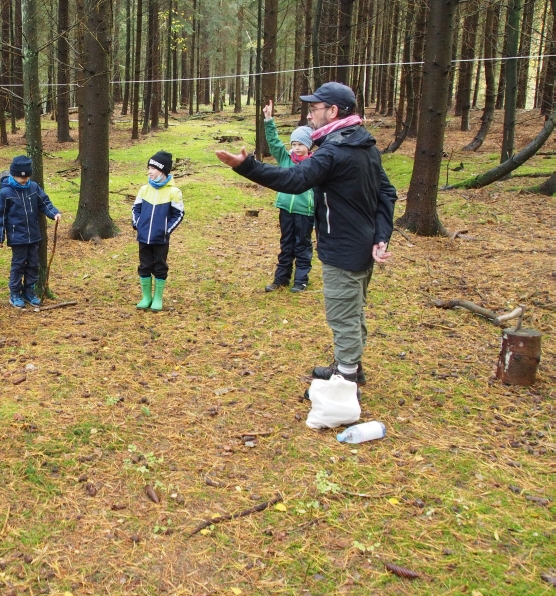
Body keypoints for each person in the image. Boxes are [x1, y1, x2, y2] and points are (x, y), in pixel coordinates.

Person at [215, 83, 397, 385]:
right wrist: (380, 235)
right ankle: (348, 366)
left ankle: (346, 383)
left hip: (345, 250)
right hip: (359, 245)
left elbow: (295, 179)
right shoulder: (363, 143)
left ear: (333, 111)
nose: (310, 116)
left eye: (314, 110)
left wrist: (247, 166)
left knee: (343, 316)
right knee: (351, 310)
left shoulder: (335, 151)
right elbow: (387, 193)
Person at [0, 155, 61, 308]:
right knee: (18, 264)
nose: (24, 180)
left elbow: (45, 203)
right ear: (13, 175)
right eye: (19, 177)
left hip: (34, 235)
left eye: (26, 177)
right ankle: (15, 292)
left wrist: (54, 213)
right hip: (17, 237)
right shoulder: (5, 193)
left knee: (33, 264)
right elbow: (0, 216)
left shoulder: (34, 187)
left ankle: (29, 290)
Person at [261, 100, 315, 293]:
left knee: (302, 245)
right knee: (286, 244)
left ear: (308, 146)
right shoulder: (285, 159)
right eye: (294, 144)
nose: (297, 148)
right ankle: (281, 278)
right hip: (286, 209)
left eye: (301, 144)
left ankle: (300, 280)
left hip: (305, 212)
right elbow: (274, 143)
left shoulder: (315, 164)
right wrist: (269, 120)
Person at [131, 150, 185, 312]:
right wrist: (138, 223)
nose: (149, 171)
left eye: (153, 168)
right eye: (149, 168)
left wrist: (166, 230)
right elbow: (136, 208)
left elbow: (179, 214)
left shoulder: (173, 192)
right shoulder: (144, 190)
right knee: (144, 265)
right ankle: (146, 297)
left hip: (161, 239)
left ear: (162, 171)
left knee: (160, 266)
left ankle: (158, 298)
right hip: (143, 237)